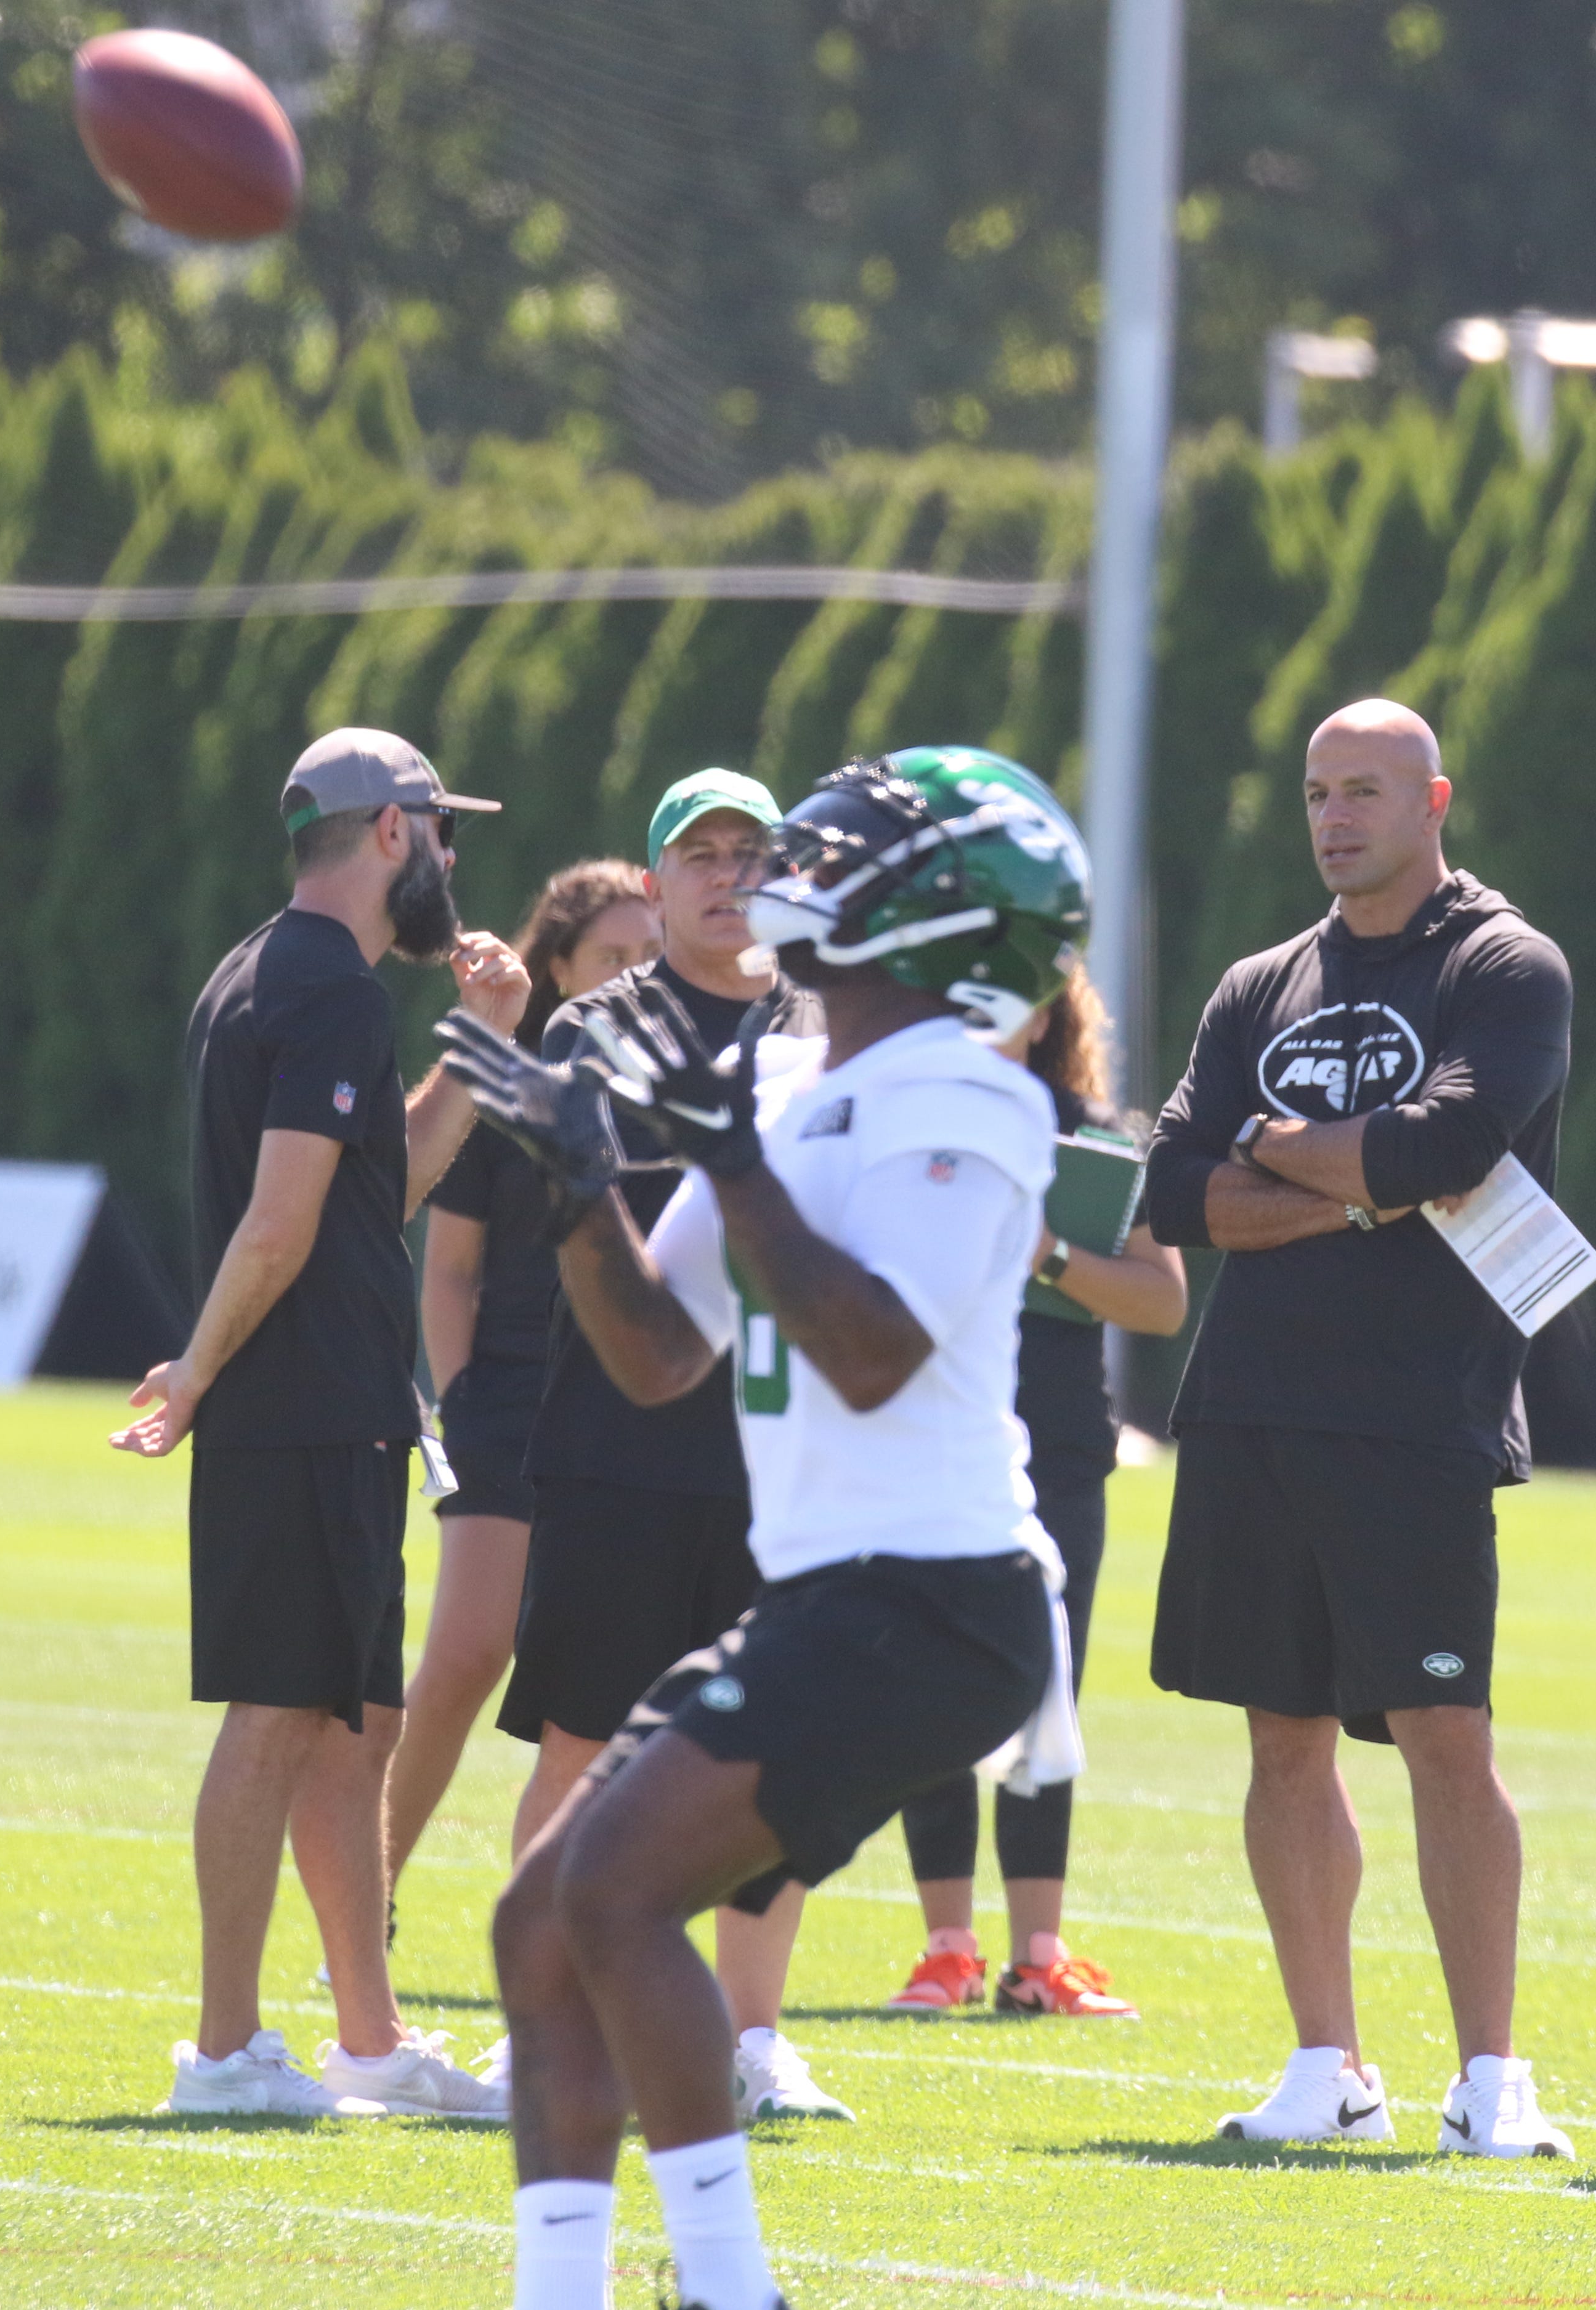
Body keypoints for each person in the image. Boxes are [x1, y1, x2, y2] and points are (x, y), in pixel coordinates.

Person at [437, 747, 1090, 2310]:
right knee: (542, 1919)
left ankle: (728, 2287)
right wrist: (577, 1182)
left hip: (938, 1599)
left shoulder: (972, 1093)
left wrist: (722, 1153)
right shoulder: (795, 1082)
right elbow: (659, 1356)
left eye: (846, 846)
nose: (792, 859)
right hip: (831, 1596)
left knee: (606, 1899)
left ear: (926, 916)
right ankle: (563, 2288)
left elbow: (870, 1351)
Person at [1145, 697, 1576, 2155]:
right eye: (1319, 792)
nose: (1335, 817)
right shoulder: (1260, 978)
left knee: (1445, 1737)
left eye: (1366, 792)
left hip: (1420, 1412)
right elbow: (1169, 1193)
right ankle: (1324, 2064)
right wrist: (1356, 1183)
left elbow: (1452, 1145)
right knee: (1281, 1740)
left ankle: (1488, 2079)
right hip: (1255, 1404)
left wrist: (1277, 1160)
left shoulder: (1502, 964)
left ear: (1432, 799)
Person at [112, 728, 528, 2120]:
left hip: (338, 1418)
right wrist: (199, 1371)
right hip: (300, 1414)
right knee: (283, 1717)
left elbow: (368, 1193)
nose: (453, 862)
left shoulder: (260, 972)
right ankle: (227, 2053)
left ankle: (368, 2039)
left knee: (358, 1731)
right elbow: (280, 1228)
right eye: (442, 832)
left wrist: (481, 1049)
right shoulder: (331, 992)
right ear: (394, 834)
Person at [493, 771, 838, 2123]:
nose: (725, 876)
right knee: (585, 1741)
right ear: (649, 882)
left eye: (750, 853)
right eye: (698, 855)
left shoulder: (824, 1028)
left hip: (777, 1448)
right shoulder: (593, 1030)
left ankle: (756, 2037)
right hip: (619, 1439)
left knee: (776, 1757)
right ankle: (545, 2023)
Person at [889, 961, 1186, 2019]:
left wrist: (1049, 1253)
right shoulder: (904, 1119)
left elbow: (1159, 1301)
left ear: (1055, 1011)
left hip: (1057, 1446)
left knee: (1045, 1675)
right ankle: (947, 1947)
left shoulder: (1097, 1139)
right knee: (929, 1677)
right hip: (928, 1429)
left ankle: (1039, 1952)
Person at [384, 861, 662, 1908]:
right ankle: (369, 1900)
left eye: (647, 951)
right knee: (466, 1654)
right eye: (611, 956)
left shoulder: (683, 1085)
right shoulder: (510, 1085)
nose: (635, 973)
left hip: (622, 1412)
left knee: (605, 1696)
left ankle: (578, 1936)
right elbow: (448, 1272)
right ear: (557, 965)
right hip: (504, 1402)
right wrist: (462, 1408)